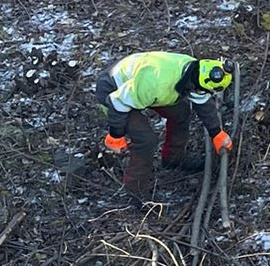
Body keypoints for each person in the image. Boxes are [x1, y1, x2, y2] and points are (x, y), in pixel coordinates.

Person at [95, 52, 233, 204]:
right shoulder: (156, 83)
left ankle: (173, 158)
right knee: (146, 140)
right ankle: (134, 191)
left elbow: (203, 102)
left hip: (141, 86)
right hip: (113, 92)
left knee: (181, 112)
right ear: (193, 84)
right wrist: (116, 135)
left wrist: (216, 132)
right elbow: (117, 102)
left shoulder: (196, 72)